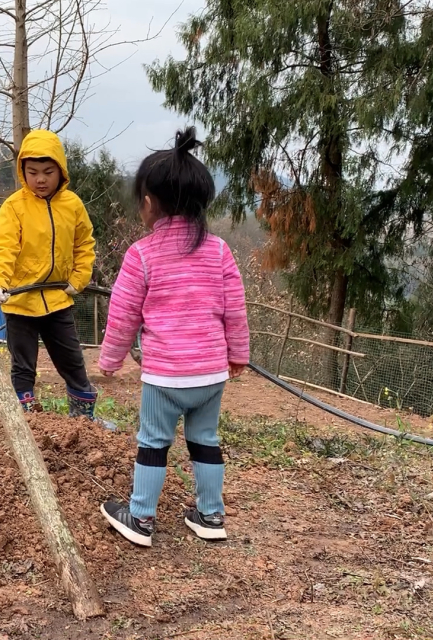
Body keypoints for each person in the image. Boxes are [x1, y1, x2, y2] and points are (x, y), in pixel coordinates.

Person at [97, 128, 250, 546]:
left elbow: (123, 314)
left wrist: (110, 360)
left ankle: (141, 518)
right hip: (210, 375)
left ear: (148, 203)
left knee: (153, 443)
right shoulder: (220, 251)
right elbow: (235, 311)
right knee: (205, 441)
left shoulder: (141, 254)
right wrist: (239, 355)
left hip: (165, 377)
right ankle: (210, 516)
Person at [0, 129, 104, 421]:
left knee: (73, 361)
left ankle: (83, 419)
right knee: (23, 365)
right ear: (23, 172)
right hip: (20, 301)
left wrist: (78, 279)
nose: (40, 179)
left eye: (48, 172)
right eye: (33, 172)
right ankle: (26, 420)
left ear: (61, 171)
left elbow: (84, 244)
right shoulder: (14, 207)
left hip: (57, 298)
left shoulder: (73, 205)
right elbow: (3, 248)